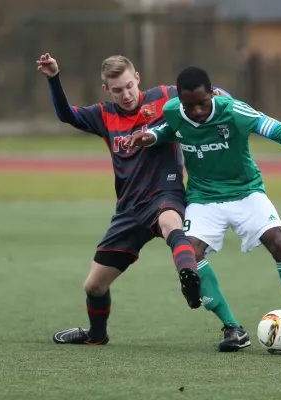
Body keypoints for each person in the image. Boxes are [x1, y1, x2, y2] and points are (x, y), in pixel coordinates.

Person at [36, 54, 249, 352]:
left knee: (171, 224)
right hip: (128, 210)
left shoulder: (166, 97)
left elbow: (214, 97)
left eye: (128, 87)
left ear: (137, 79)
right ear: (106, 89)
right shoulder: (103, 115)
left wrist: (220, 100)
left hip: (165, 193)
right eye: (116, 90)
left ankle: (226, 321)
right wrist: (53, 78)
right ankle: (96, 335)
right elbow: (66, 115)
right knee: (94, 286)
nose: (125, 95)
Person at [127, 66, 281, 352]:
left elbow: (277, 128)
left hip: (246, 191)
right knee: (189, 257)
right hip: (202, 197)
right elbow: (169, 129)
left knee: (279, 243)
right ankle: (232, 327)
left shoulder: (234, 111)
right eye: (189, 105)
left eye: (202, 102)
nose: (196, 110)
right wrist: (151, 136)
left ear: (212, 93)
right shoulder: (174, 110)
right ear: (181, 101)